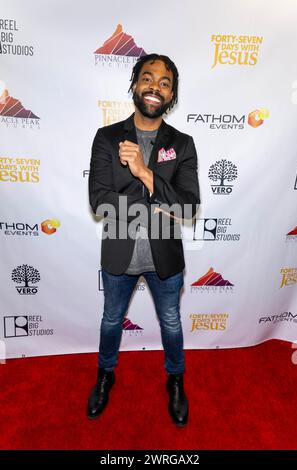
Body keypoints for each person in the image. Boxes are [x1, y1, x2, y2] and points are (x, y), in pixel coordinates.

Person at [88, 53, 200, 427]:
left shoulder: (182, 145)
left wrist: (143, 173)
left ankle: (175, 380)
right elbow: (99, 200)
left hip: (165, 258)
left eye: (165, 83)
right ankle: (105, 374)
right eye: (148, 78)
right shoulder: (107, 138)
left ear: (171, 95)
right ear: (135, 84)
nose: (155, 87)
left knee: (171, 322)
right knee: (110, 321)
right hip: (119, 256)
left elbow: (187, 206)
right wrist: (156, 198)